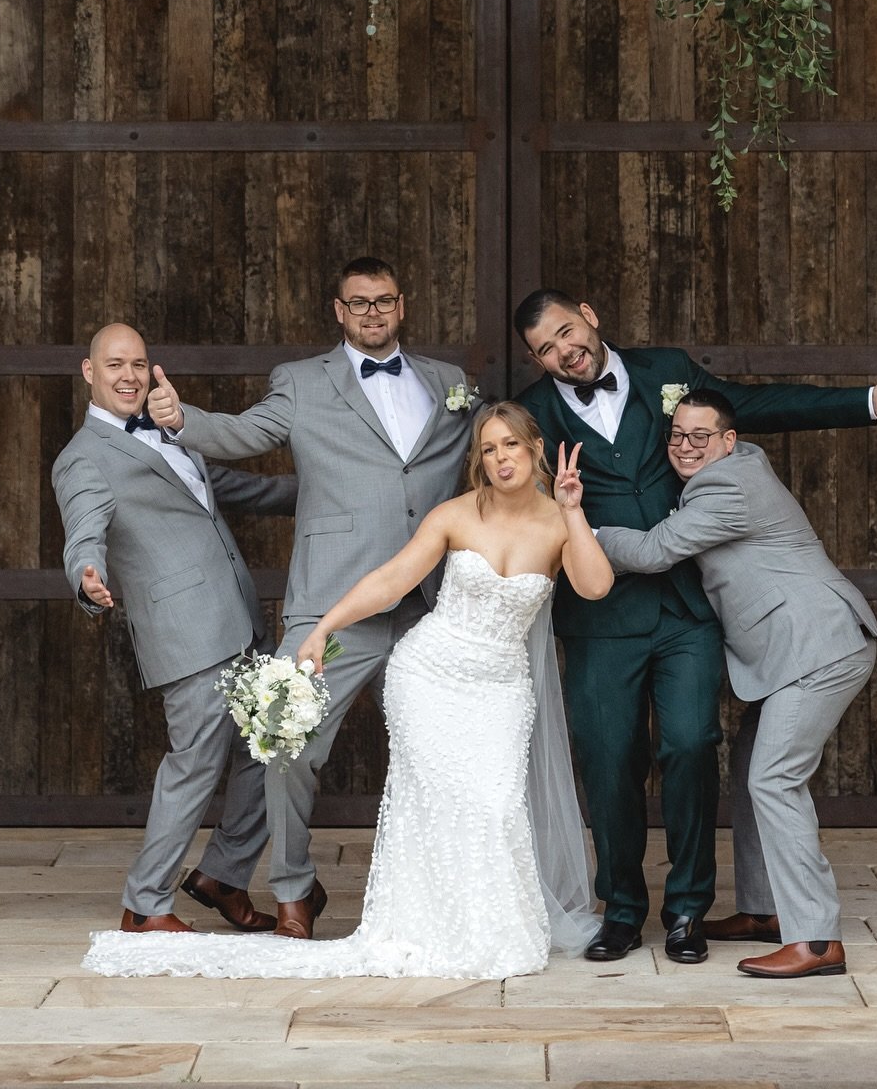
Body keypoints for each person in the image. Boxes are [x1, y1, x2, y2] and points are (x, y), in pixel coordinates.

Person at [83, 401, 610, 981]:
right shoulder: (456, 515)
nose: (500, 458)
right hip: (430, 677)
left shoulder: (560, 524)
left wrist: (573, 511)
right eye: (488, 448)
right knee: (435, 804)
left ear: (535, 449)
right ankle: (423, 928)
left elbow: (593, 585)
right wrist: (324, 627)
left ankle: (487, 928)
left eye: (510, 445)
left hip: (501, 688)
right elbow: (389, 581)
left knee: (493, 803)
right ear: (478, 461)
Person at [513, 288, 877, 964]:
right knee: (609, 760)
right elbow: (504, 485)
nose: (565, 352)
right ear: (536, 360)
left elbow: (754, 405)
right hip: (600, 616)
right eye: (545, 350)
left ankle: (687, 910)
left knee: (691, 748)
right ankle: (621, 909)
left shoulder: (666, 371)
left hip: (688, 614)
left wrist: (864, 403)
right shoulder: (530, 414)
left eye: (567, 332)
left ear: (590, 314)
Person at [144, 256, 475, 937]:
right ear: (338, 310)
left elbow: (489, 460)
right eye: (359, 303)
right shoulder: (300, 382)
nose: (372, 314)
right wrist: (183, 420)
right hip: (331, 602)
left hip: (430, 604)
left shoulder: (451, 384)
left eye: (384, 301)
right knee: (286, 747)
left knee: (446, 752)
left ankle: (453, 894)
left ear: (402, 304)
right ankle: (293, 890)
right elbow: (245, 433)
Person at [599, 390, 877, 978]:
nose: (684, 446)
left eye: (700, 436)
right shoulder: (737, 469)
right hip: (792, 654)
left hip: (816, 649)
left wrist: (582, 532)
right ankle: (766, 911)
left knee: (775, 780)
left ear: (728, 441)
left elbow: (653, 552)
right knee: (758, 774)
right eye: (677, 435)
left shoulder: (726, 485)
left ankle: (817, 939)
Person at [51, 323, 296, 934]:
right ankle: (145, 901)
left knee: (276, 748)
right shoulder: (82, 457)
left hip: (239, 617)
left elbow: (234, 490)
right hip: (187, 633)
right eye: (115, 365)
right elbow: (85, 524)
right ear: (89, 373)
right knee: (194, 765)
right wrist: (86, 576)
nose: (130, 376)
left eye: (138, 363)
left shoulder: (168, 431)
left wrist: (336, 490)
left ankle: (224, 876)